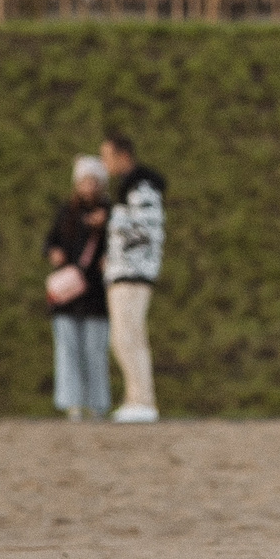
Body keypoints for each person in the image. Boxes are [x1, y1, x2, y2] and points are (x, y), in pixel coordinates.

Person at [100, 133, 165, 424]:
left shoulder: (142, 185)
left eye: (107, 156)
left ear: (123, 155)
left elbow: (146, 226)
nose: (105, 163)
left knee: (129, 337)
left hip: (134, 271)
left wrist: (110, 219)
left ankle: (142, 401)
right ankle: (135, 399)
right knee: (125, 337)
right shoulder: (130, 186)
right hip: (124, 270)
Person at [43, 154, 110, 422]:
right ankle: (72, 403)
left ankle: (97, 404)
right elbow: (50, 241)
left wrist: (106, 233)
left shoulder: (111, 213)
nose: (89, 187)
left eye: (94, 181)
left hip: (96, 293)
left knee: (95, 350)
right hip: (68, 294)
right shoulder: (67, 213)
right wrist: (54, 252)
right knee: (67, 349)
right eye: (84, 181)